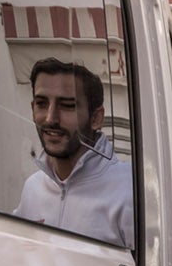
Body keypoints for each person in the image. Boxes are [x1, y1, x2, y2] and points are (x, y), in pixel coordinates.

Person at [14, 57, 133, 247]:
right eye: (41, 104)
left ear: (96, 118)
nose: (51, 118)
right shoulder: (33, 188)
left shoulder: (130, 190)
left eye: (67, 105)